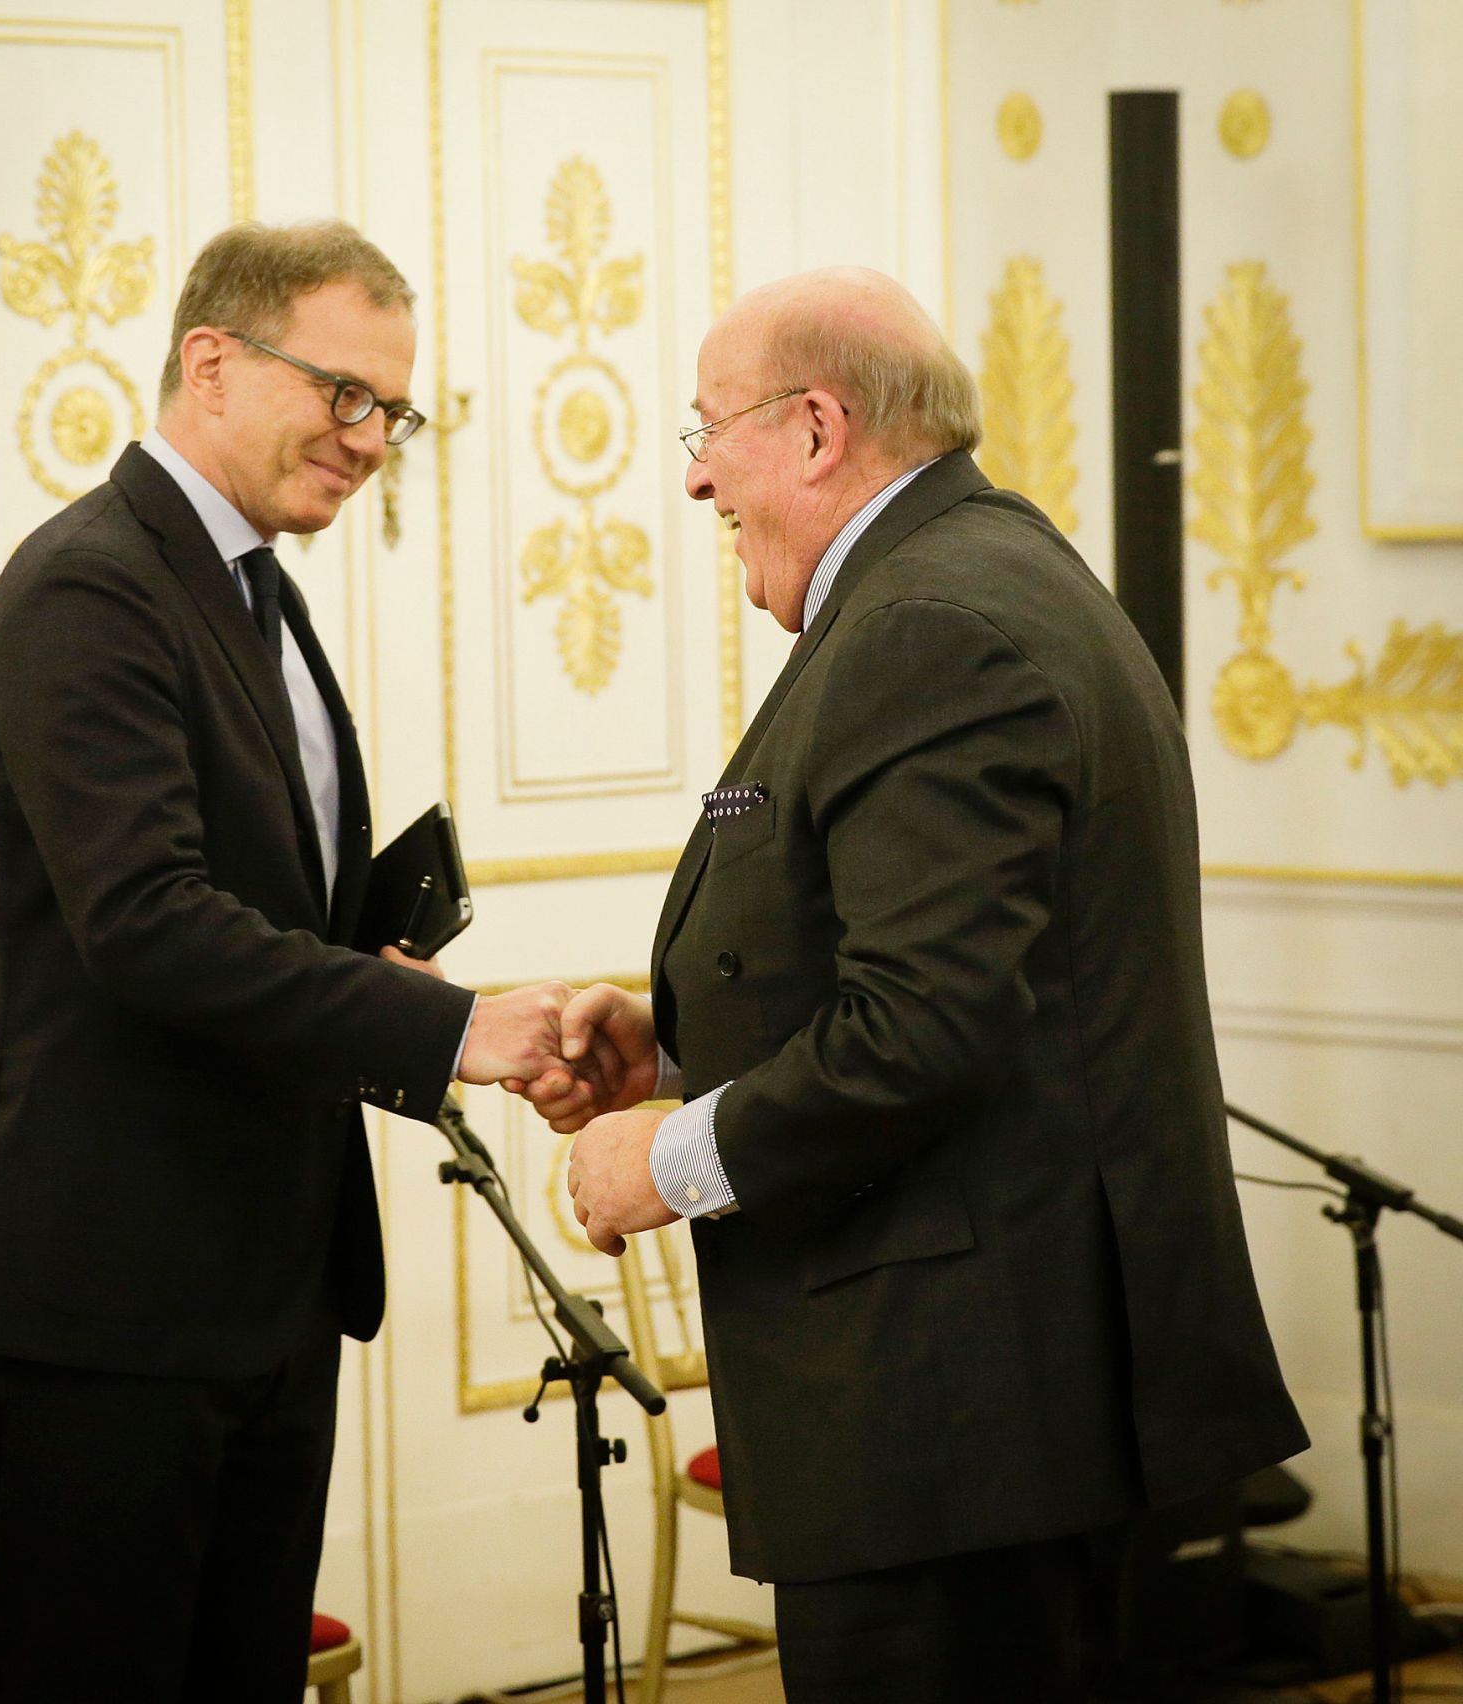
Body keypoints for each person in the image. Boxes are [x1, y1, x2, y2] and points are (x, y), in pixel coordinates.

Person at [527, 267, 1309, 1701]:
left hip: (957, 1424)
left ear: (818, 427)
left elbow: (926, 1028)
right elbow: (951, 966)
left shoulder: (925, 625)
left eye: (710, 434)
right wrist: (680, 1037)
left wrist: (672, 1156)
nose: (698, 485)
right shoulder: (984, 574)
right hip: (999, 1415)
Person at [0, 220, 577, 1703]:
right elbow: (149, 926)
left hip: (268, 1285)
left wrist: (381, 975)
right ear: (210, 362)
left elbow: (256, 923)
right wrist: (454, 1031)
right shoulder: (87, 587)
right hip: (112, 1305)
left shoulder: (258, 591)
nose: (369, 441)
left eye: (391, 412)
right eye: (343, 394)